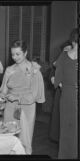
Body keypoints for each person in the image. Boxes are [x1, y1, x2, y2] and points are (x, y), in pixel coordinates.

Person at [0, 40, 45, 154]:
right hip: (10, 107)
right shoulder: (9, 70)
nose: (15, 57)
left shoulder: (34, 69)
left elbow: (34, 94)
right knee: (9, 137)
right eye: (13, 54)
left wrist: (18, 97)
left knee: (25, 139)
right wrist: (1, 98)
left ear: (25, 53)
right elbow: (3, 89)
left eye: (18, 54)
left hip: (27, 107)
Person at [54, 28, 78, 159]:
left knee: (67, 131)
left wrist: (67, 87)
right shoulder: (64, 55)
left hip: (67, 96)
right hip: (70, 96)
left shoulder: (63, 55)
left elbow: (57, 80)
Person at [49, 41, 72, 143]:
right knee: (59, 119)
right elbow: (52, 75)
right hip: (61, 93)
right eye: (65, 50)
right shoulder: (59, 61)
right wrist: (54, 79)